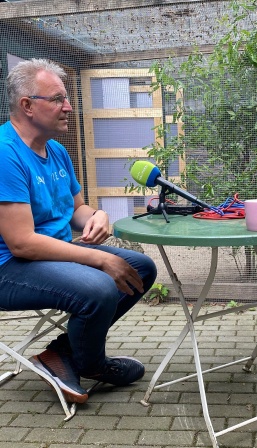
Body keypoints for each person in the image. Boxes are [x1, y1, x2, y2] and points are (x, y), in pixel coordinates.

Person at [0, 58, 157, 404]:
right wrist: (99, 260)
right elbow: (22, 243)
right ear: (27, 105)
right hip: (9, 267)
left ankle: (62, 353)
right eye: (57, 99)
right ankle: (93, 362)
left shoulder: (55, 151)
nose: (68, 107)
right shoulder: (4, 154)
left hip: (49, 256)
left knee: (140, 268)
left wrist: (95, 216)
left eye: (67, 98)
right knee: (101, 285)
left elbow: (75, 210)